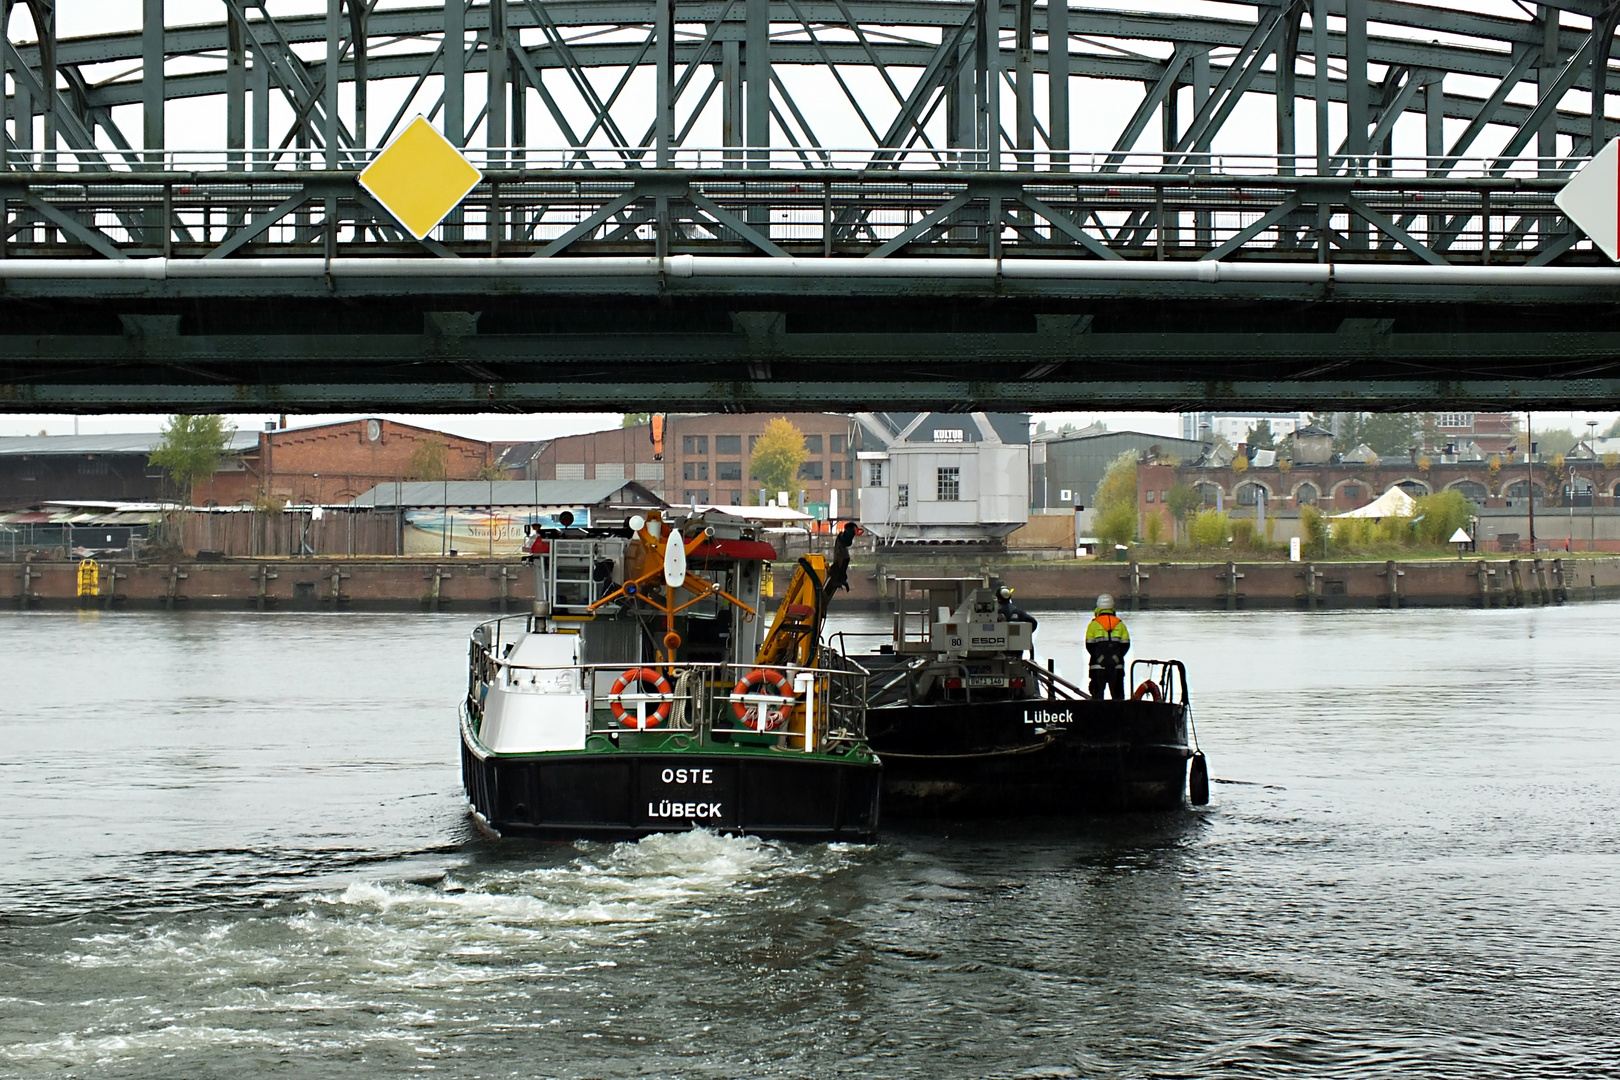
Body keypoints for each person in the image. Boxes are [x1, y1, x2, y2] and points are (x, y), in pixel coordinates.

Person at [1085, 593, 1130, 699]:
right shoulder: (1120, 624)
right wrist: (1115, 659)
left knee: (1097, 699)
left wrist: (1101, 659)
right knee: (1118, 699)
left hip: (1098, 667)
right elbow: (1126, 645)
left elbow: (1089, 646)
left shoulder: (1093, 625)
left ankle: (1098, 715)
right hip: (1116, 667)